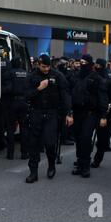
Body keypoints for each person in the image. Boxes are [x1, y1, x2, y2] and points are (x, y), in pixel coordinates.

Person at [25, 54, 73, 183]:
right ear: (38, 65)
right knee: (34, 145)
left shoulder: (58, 76)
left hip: (52, 114)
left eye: (48, 66)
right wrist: (39, 88)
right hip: (36, 113)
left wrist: (68, 113)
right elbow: (27, 95)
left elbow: (65, 95)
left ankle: (51, 164)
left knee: (50, 143)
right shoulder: (32, 76)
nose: (46, 69)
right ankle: (33, 172)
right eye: (43, 67)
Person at [71, 55, 108, 178]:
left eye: (84, 62)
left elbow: (102, 98)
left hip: (90, 114)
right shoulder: (76, 76)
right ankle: (80, 164)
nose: (82, 64)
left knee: (85, 138)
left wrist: (103, 116)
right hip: (77, 112)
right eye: (80, 62)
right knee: (78, 138)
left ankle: (85, 166)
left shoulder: (97, 79)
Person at [91, 58, 111, 168]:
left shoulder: (108, 80)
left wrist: (110, 105)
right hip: (92, 111)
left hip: (104, 112)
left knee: (102, 139)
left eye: (98, 65)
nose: (96, 66)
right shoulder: (91, 77)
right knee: (86, 136)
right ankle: (84, 158)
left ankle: (97, 159)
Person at [9, 57, 30, 160]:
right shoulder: (27, 74)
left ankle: (10, 153)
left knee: (10, 129)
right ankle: (24, 153)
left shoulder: (10, 73)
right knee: (24, 129)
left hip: (12, 102)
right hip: (24, 102)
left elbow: (8, 88)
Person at [0, 44, 13, 155]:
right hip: (5, 96)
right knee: (4, 119)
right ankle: (3, 141)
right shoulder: (7, 63)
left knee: (0, 119)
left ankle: (2, 141)